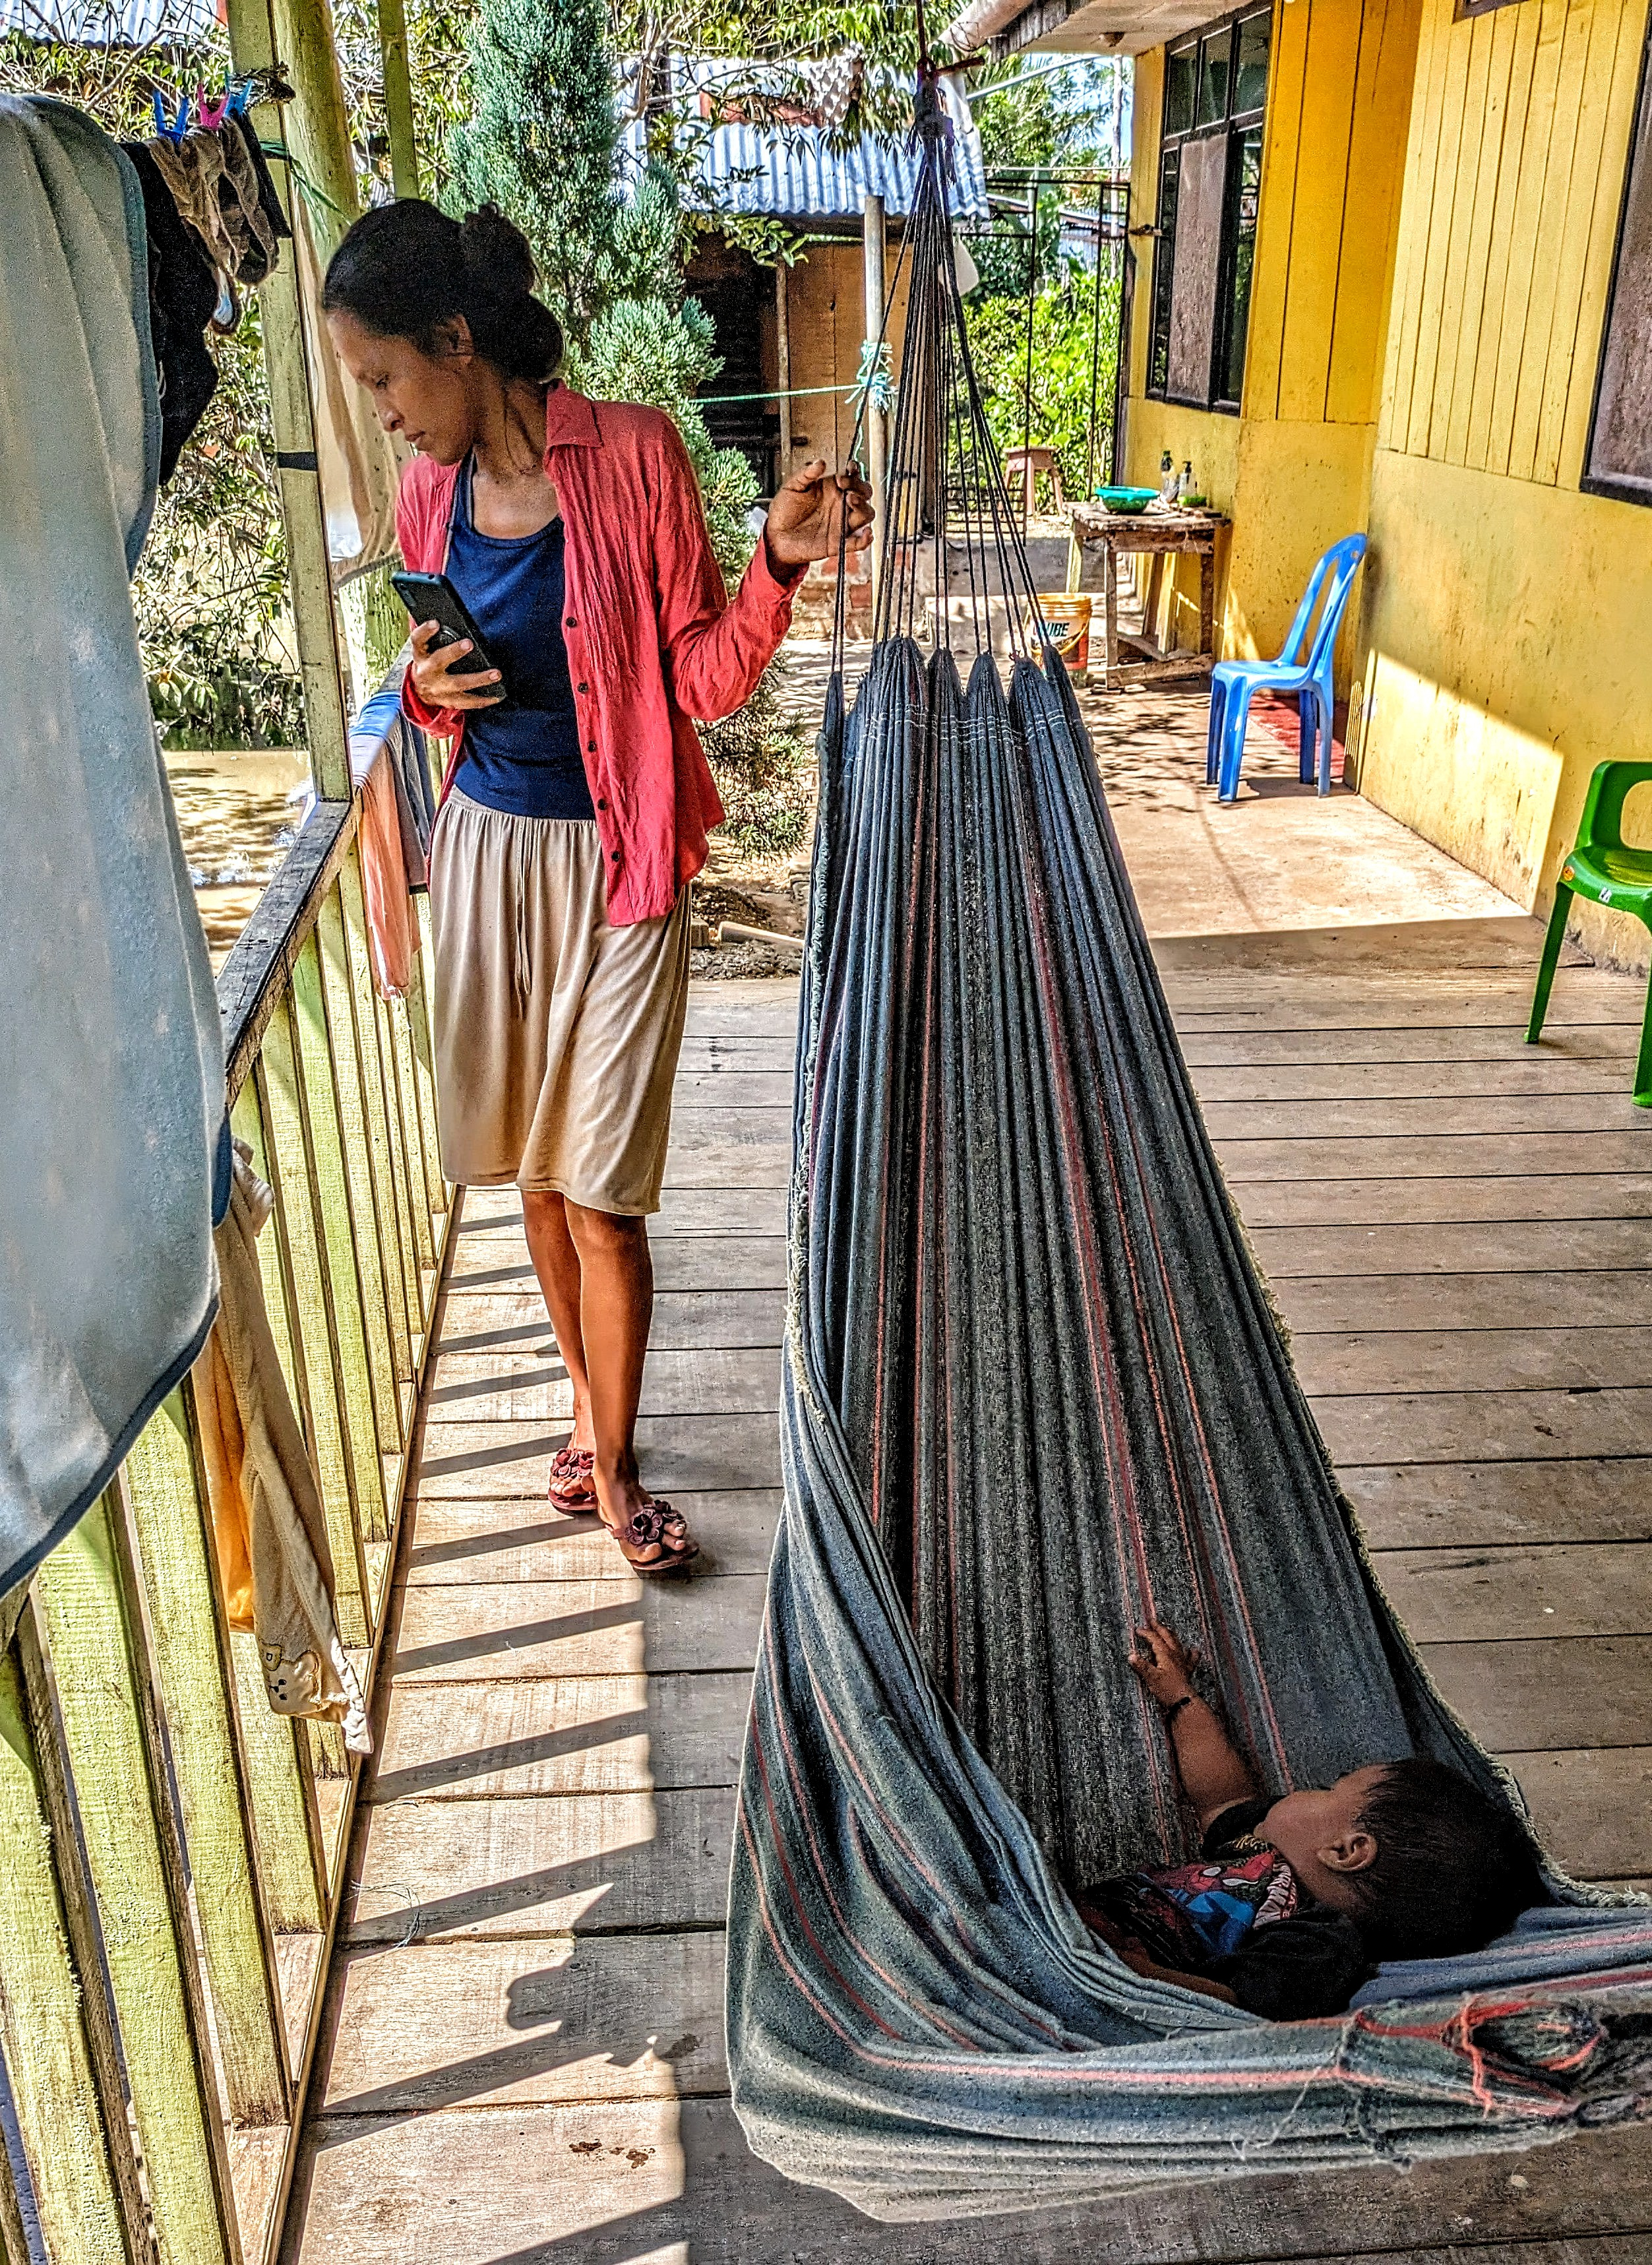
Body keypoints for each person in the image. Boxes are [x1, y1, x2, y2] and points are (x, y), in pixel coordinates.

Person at [322, 201, 872, 1574]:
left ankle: (614, 1465)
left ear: (456, 338)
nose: (384, 414)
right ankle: (586, 1408)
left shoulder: (631, 452)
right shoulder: (425, 499)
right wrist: (418, 688)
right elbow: (442, 708)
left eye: (386, 378)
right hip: (493, 856)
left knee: (605, 1186)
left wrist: (778, 565)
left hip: (622, 864)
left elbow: (698, 678)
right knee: (536, 1174)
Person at [1078, 1622, 1541, 2020]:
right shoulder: (1255, 1846)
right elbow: (1222, 1797)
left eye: (1327, 1789)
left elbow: (1237, 2004)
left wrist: (1134, 1972)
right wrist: (1182, 1699)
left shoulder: (1322, 1942)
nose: (1299, 1790)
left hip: (1097, 1966)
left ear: (1345, 1852)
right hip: (1075, 1917)